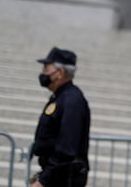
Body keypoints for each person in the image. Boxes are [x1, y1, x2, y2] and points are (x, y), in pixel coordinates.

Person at [30, 47, 91, 187]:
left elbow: (65, 148)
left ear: (60, 72)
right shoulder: (61, 97)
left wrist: (43, 181)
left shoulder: (71, 101)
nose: (43, 74)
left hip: (65, 178)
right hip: (57, 176)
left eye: (46, 69)